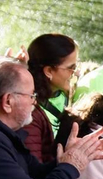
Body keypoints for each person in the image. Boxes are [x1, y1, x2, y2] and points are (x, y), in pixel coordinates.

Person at [22, 33, 79, 165]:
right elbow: (35, 165)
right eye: (71, 68)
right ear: (48, 71)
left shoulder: (65, 96)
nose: (75, 73)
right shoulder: (29, 110)